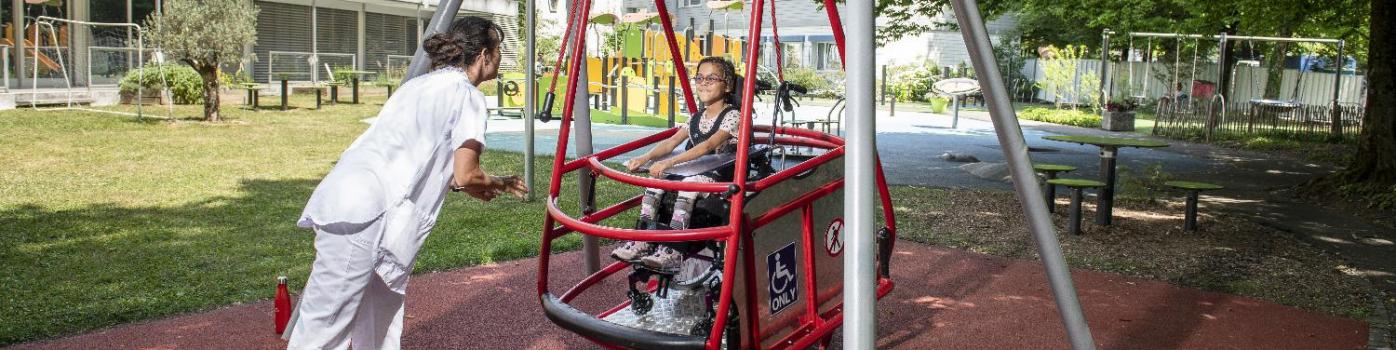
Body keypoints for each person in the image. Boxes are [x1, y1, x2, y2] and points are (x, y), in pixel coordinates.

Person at [285, 16, 528, 350]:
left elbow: (430, 160)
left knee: (379, 322)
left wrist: (468, 184)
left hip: (359, 200)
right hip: (366, 210)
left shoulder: (419, 85)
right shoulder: (466, 95)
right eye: (499, 50)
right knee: (325, 328)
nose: (501, 58)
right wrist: (497, 183)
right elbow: (466, 172)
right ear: (484, 55)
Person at [610, 57, 741, 271]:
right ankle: (643, 239)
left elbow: (707, 146)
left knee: (687, 187)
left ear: (727, 85)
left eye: (711, 78)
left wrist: (670, 163)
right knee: (655, 181)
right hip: (696, 168)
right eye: (699, 78)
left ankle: (674, 251)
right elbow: (672, 142)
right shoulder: (696, 117)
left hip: (717, 172)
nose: (703, 83)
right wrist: (646, 158)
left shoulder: (732, 115)